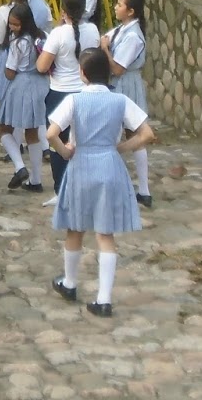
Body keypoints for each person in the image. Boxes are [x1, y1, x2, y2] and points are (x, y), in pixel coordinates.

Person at [47, 47, 156, 317]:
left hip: (81, 166)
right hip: (109, 165)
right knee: (105, 234)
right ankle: (103, 299)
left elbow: (51, 133)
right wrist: (120, 148)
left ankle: (70, 283)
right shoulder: (120, 100)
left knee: (75, 228)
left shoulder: (74, 100)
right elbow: (147, 134)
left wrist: (65, 152)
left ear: (83, 73)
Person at [37, 0, 101, 200]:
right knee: (84, 142)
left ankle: (61, 190)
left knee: (58, 144)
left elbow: (42, 66)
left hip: (60, 93)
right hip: (86, 91)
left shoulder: (59, 34)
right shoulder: (93, 30)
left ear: (63, 10)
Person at [0, 0, 48, 192]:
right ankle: (36, 180)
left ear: (24, 23)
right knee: (32, 132)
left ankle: (19, 166)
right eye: (10, 23)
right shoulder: (42, 37)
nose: (12, 27)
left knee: (4, 128)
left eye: (16, 24)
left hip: (21, 85)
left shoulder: (18, 43)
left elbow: (10, 72)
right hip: (40, 84)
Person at [106, 0, 152, 208]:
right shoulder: (122, 29)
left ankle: (142, 188)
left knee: (129, 134)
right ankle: (136, 188)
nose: (116, 7)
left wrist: (105, 50)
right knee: (127, 133)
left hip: (125, 85)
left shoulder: (133, 36)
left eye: (120, 5)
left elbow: (118, 68)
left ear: (131, 11)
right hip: (122, 84)